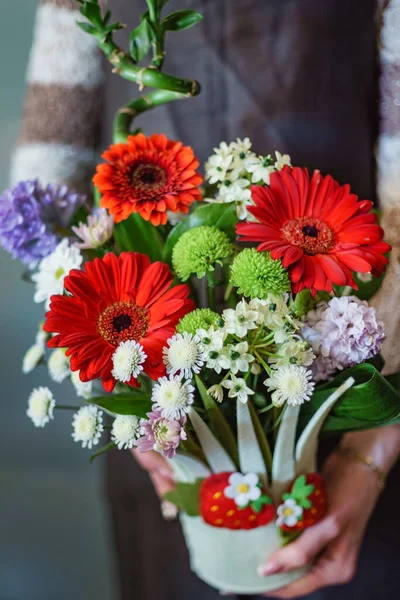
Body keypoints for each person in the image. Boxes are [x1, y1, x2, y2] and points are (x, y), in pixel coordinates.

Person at [13, 0, 400, 598]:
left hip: (355, 368)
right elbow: (52, 137)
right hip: (153, 390)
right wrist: (104, 361)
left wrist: (370, 451)